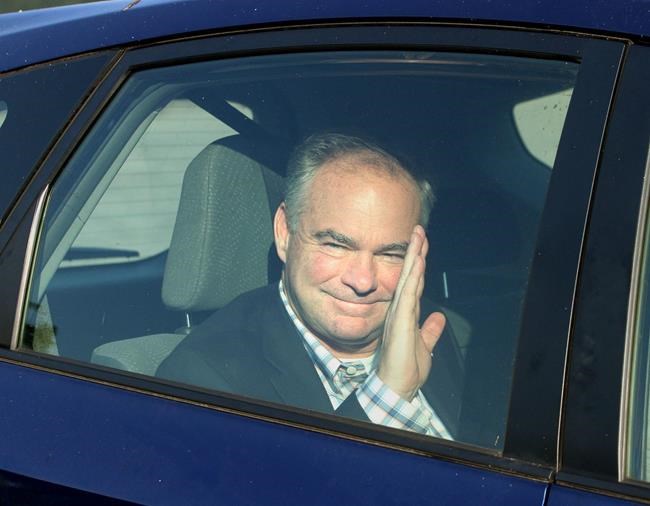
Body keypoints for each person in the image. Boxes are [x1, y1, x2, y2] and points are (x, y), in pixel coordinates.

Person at [158, 133, 462, 439]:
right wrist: (388, 395)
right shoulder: (205, 378)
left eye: (390, 254)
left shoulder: (429, 330)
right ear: (285, 232)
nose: (362, 281)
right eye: (336, 246)